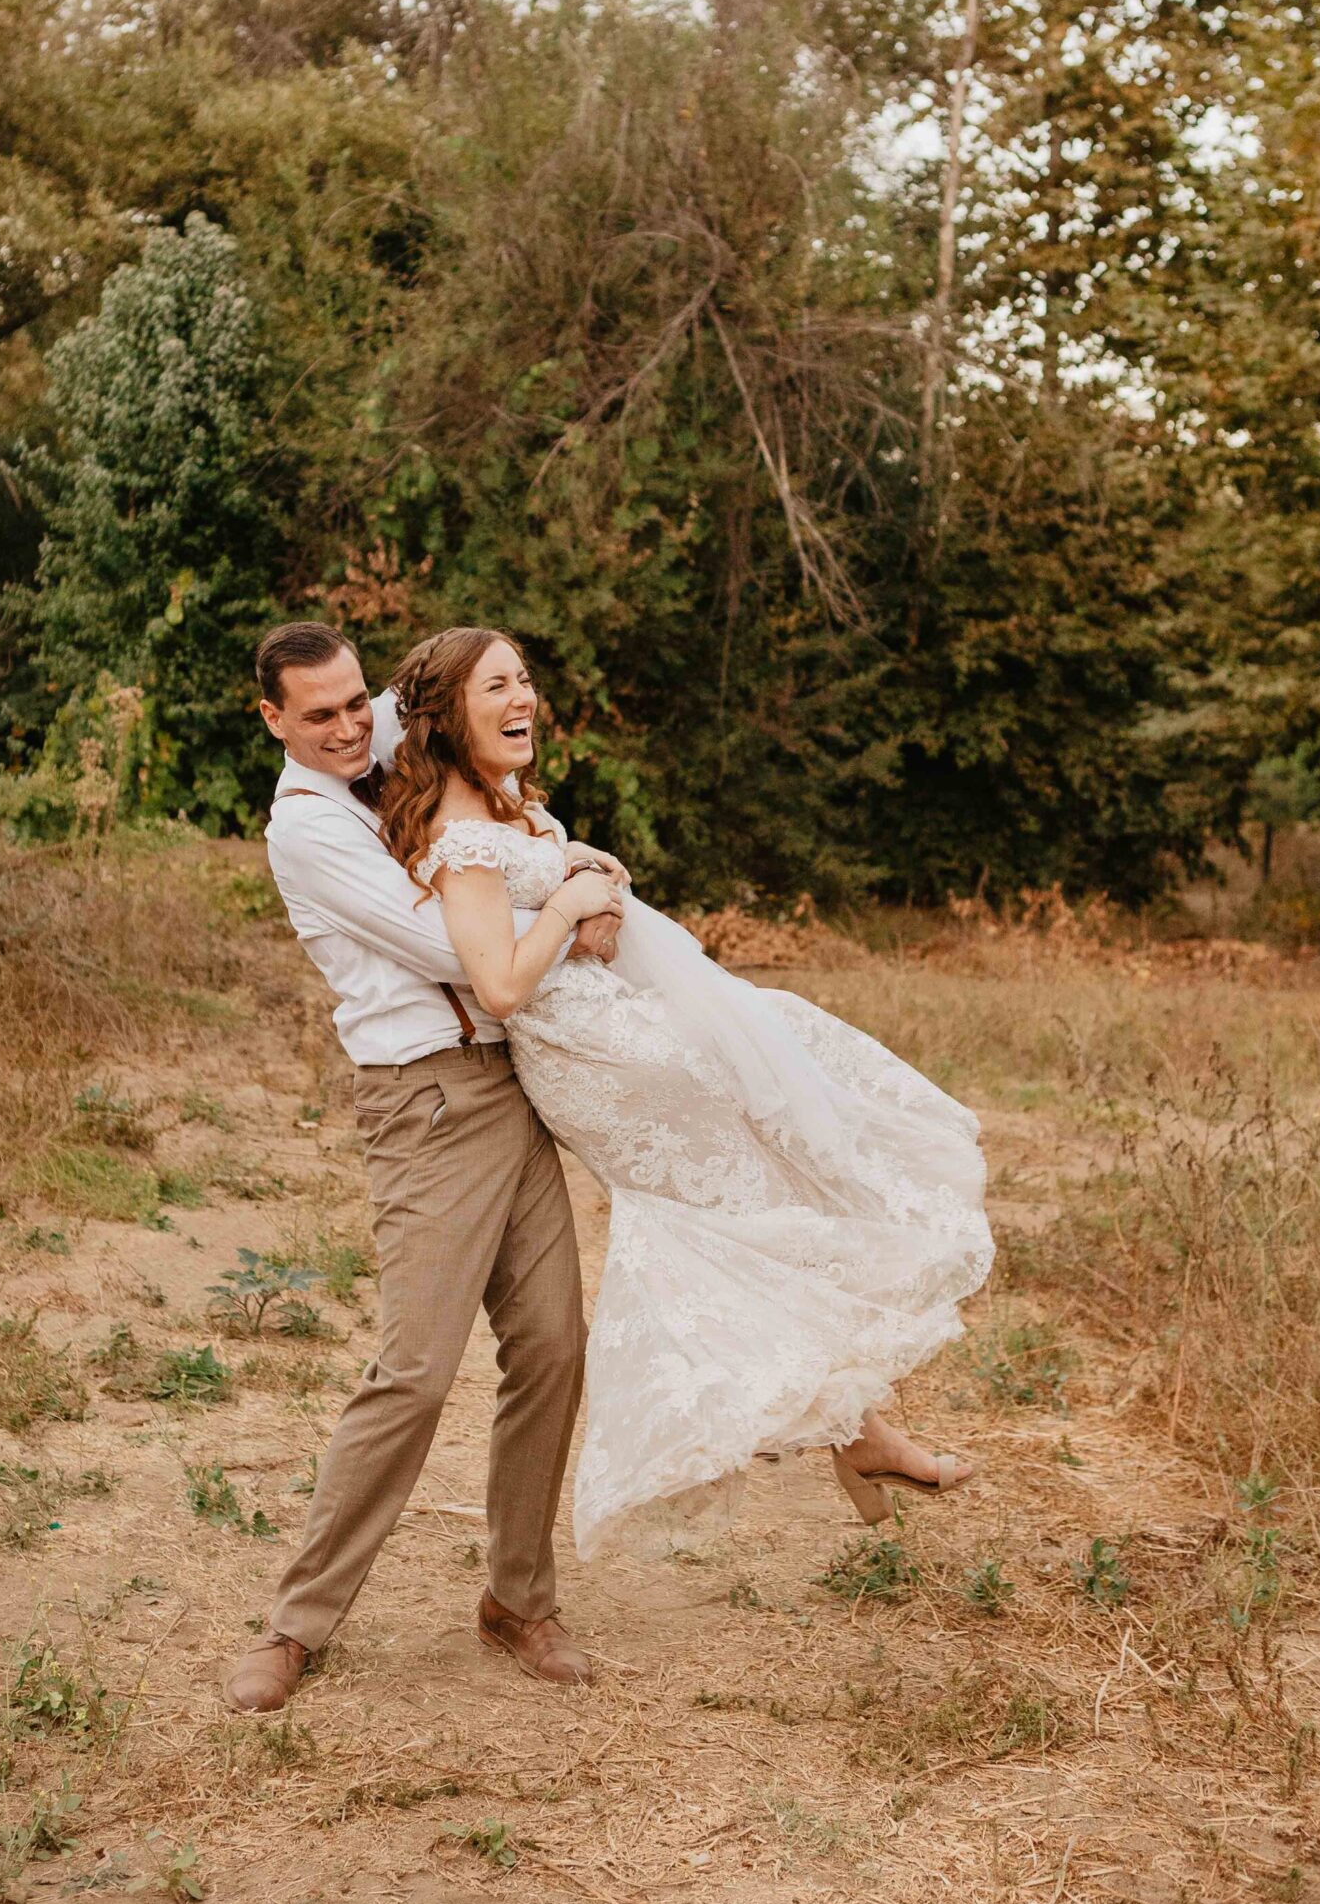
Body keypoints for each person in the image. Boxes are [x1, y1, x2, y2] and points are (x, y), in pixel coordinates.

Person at [380, 625, 994, 1561]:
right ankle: (850, 1434)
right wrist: (568, 904)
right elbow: (499, 985)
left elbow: (567, 902)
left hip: (625, 1028)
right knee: (763, 1197)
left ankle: (858, 1434)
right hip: (598, 1059)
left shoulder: (506, 808)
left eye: (526, 680)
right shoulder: (460, 839)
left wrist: (593, 880)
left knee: (775, 1186)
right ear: (445, 713)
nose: (522, 700)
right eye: (496, 686)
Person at [220, 622, 625, 1715]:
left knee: (554, 1341)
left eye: (359, 702)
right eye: (321, 716)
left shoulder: (389, 728)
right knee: (414, 1371)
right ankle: (296, 1624)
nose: (354, 728)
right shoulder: (304, 830)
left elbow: (486, 735)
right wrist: (570, 902)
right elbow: (458, 951)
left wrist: (559, 849)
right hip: (426, 1101)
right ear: (274, 721)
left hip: (508, 1082)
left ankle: (518, 1600)